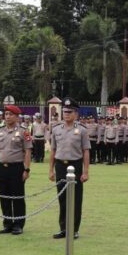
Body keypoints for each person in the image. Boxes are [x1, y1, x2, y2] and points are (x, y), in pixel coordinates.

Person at [49, 97, 90, 239]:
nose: (66, 114)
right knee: (62, 198)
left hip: (75, 165)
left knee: (76, 199)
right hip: (60, 165)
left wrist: (85, 171)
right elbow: (53, 150)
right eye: (65, 112)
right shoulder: (56, 129)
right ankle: (63, 228)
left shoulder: (82, 130)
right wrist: (51, 170)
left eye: (69, 112)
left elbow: (86, 151)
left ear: (76, 114)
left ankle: (74, 229)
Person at [0, 105, 32, 235]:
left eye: (10, 114)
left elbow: (28, 151)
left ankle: (18, 225)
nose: (7, 117)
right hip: (2, 168)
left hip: (16, 168)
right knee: (4, 197)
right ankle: (7, 223)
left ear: (16, 116)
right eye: (6, 114)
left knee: (17, 197)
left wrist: (26, 169)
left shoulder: (23, 131)